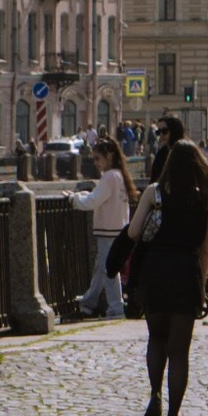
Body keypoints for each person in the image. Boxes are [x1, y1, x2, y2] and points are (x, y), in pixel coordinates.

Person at [127, 137, 208, 416]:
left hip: (156, 269)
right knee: (180, 352)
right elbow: (205, 249)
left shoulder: (155, 193)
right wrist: (205, 284)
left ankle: (155, 394)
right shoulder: (205, 198)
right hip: (185, 272)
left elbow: (133, 232)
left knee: (156, 338)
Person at [83, 134, 134, 315]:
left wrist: (74, 200)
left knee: (108, 269)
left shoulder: (109, 177)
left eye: (98, 158)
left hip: (107, 230)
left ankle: (115, 307)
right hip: (118, 229)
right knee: (102, 267)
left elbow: (94, 200)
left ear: (109, 156)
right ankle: (89, 302)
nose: (95, 163)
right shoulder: (120, 175)